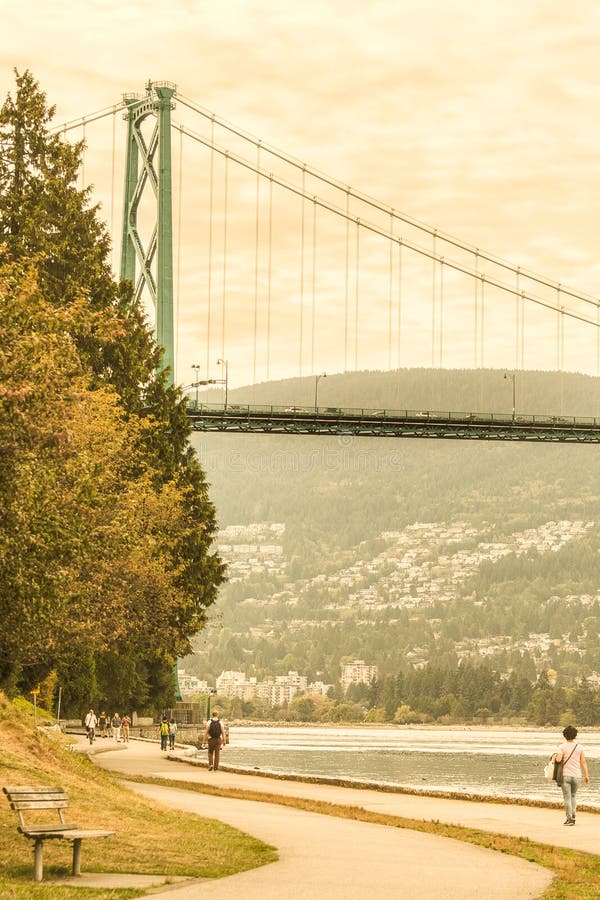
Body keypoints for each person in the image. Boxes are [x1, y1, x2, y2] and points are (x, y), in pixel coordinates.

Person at [555, 725, 590, 825]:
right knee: (573, 796)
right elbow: (583, 762)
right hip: (577, 776)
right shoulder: (579, 747)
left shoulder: (562, 746)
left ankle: (569, 819)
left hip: (565, 775)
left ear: (564, 735)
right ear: (575, 735)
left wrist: (556, 756)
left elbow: (558, 760)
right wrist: (586, 775)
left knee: (567, 797)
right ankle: (573, 816)